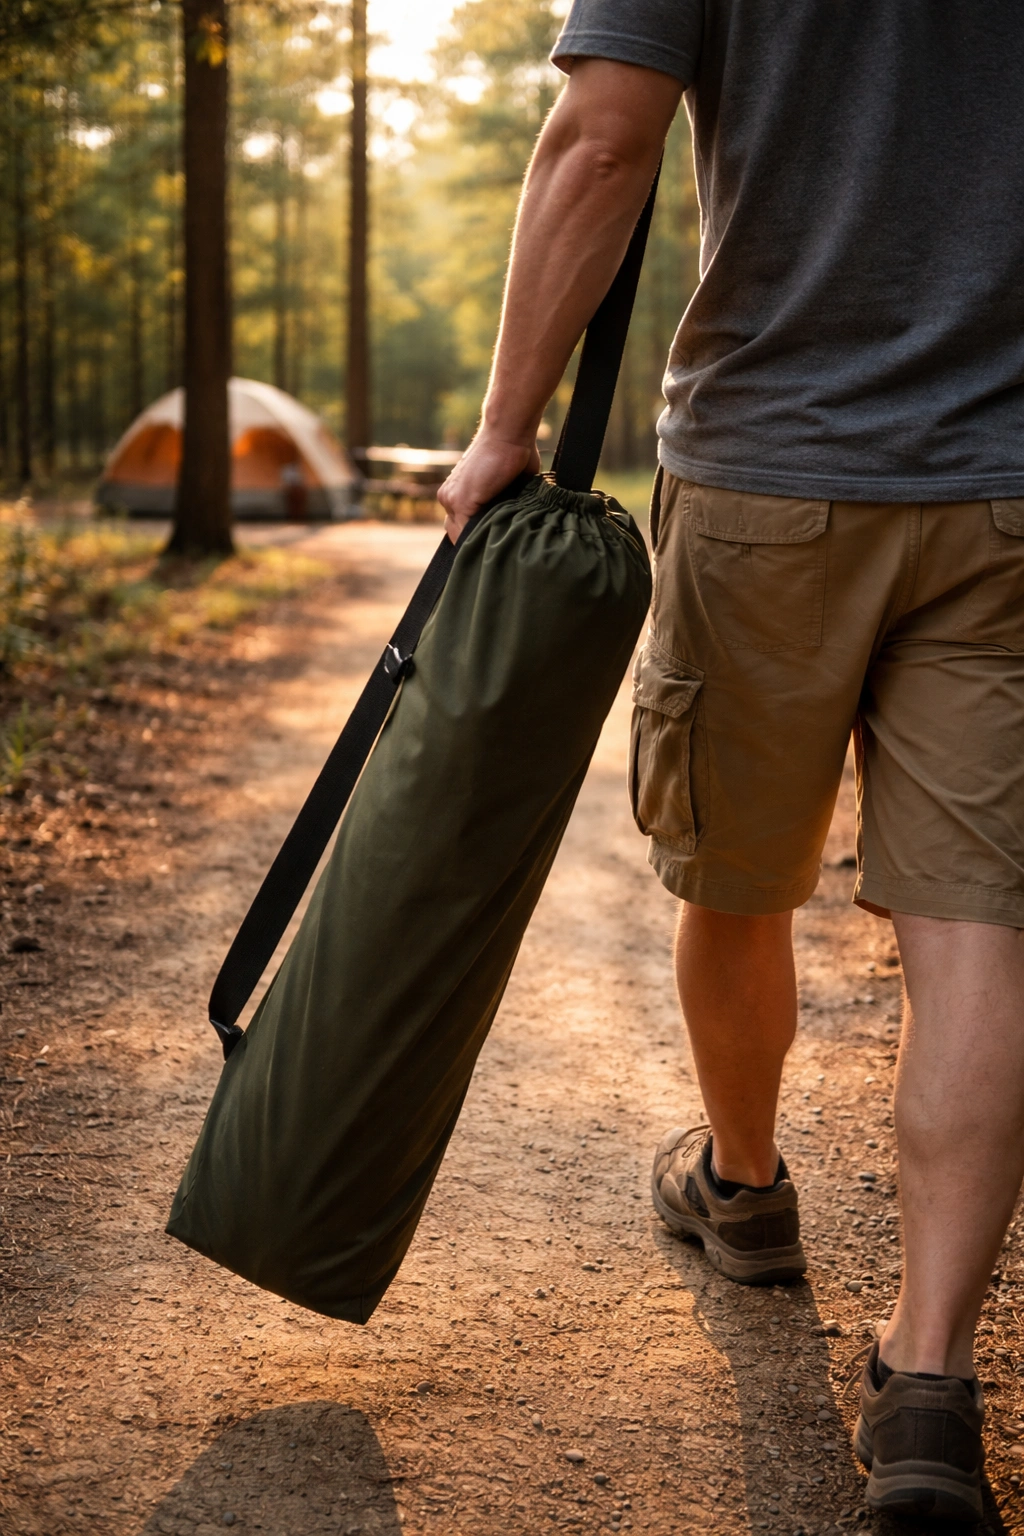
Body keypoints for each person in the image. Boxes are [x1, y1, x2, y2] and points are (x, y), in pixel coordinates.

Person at [438, 3, 1024, 1524]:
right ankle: (929, 1387)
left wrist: (506, 425)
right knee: (980, 930)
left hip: (770, 464)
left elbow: (601, 139)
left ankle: (745, 1189)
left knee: (737, 869)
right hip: (1008, 489)